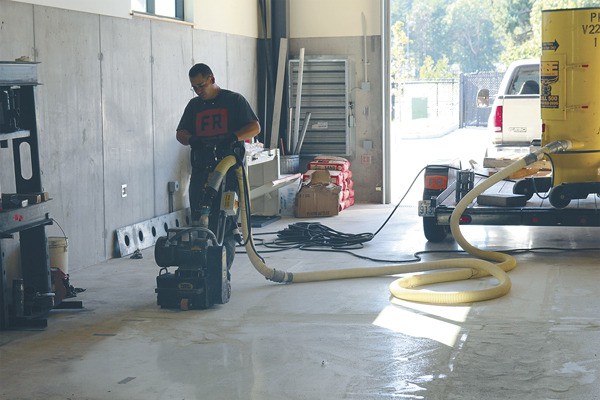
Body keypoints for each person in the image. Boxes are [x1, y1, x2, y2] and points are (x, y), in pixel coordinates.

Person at [176, 63, 261, 269]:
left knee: (225, 221)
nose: (198, 91)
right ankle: (201, 267)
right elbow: (180, 133)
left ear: (212, 79)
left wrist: (233, 137)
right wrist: (193, 139)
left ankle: (222, 272)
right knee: (200, 219)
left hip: (229, 175)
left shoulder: (234, 101)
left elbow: (255, 127)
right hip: (201, 173)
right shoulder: (194, 106)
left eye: (201, 85)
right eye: (194, 87)